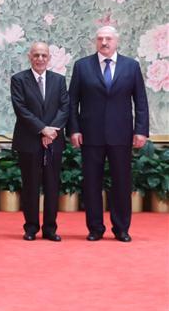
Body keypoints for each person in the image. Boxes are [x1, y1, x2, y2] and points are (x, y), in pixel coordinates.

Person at [68, 26, 149, 242]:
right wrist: (73, 129)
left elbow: (140, 101)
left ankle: (121, 228)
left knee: (121, 182)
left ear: (116, 41)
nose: (104, 42)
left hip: (121, 135)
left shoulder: (131, 66)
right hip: (90, 135)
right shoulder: (82, 66)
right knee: (91, 183)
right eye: (100, 39)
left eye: (108, 39)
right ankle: (95, 228)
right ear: (95, 42)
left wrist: (141, 130)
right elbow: (72, 101)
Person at [9, 41, 69, 242]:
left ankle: (50, 229)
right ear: (29, 57)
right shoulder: (18, 80)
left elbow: (64, 108)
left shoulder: (59, 80)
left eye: (44, 55)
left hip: (54, 141)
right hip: (28, 141)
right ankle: (31, 227)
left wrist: (51, 132)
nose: (40, 59)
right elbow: (21, 109)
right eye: (36, 55)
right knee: (30, 186)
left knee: (52, 185)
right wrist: (42, 129)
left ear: (49, 58)